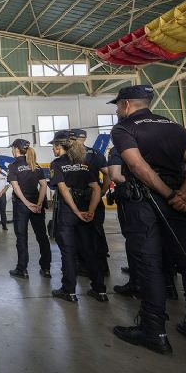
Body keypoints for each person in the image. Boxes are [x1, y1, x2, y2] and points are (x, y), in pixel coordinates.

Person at [109, 85, 186, 355]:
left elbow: (137, 167)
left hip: (145, 202)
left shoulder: (124, 128)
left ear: (125, 104)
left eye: (117, 106)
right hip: (179, 203)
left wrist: (169, 194)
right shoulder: (174, 126)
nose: (118, 111)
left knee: (149, 263)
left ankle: (153, 330)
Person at [48, 130, 106, 303]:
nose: (53, 149)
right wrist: (91, 210)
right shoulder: (84, 163)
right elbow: (96, 188)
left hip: (68, 212)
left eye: (54, 146)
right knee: (90, 250)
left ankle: (69, 291)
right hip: (86, 209)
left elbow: (64, 190)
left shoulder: (57, 164)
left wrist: (74, 211)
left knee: (68, 252)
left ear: (59, 147)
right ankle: (100, 290)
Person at [7, 139, 51, 279]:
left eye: (13, 148)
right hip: (37, 205)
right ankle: (46, 268)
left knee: (22, 237)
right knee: (42, 237)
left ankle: (22, 269)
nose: (12, 150)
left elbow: (16, 187)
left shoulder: (13, 166)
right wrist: (38, 204)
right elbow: (44, 186)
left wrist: (26, 203)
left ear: (16, 149)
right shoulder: (35, 165)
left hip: (22, 206)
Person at [73, 128, 111, 277]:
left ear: (73, 139)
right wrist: (102, 192)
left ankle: (84, 266)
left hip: (79, 198)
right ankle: (102, 266)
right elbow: (108, 174)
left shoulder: (73, 155)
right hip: (95, 198)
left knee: (81, 234)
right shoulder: (96, 154)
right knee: (97, 231)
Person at [108, 146, 139, 298]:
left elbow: (114, 175)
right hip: (162, 197)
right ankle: (169, 286)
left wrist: (137, 183)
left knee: (134, 241)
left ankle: (136, 283)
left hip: (133, 200)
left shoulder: (119, 149)